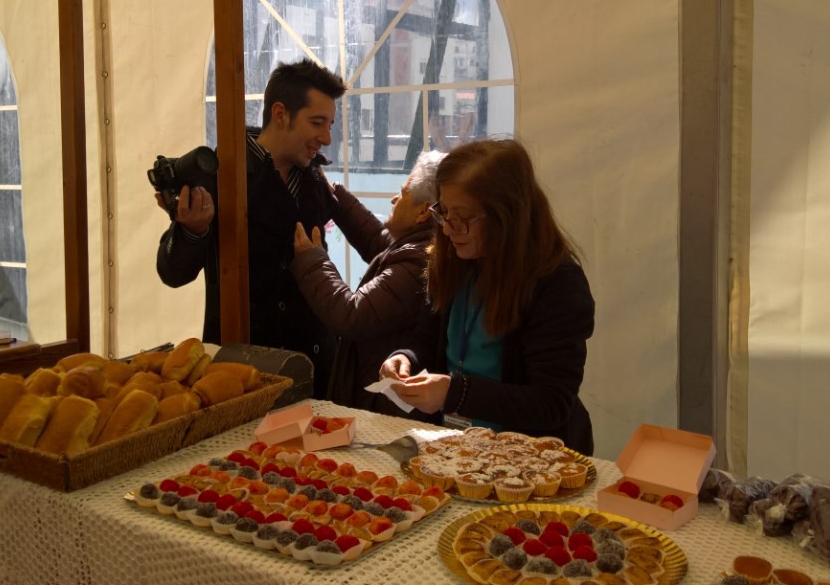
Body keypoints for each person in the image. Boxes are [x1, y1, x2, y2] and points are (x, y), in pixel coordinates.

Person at [379, 139, 596, 454]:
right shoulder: (452, 259)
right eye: (444, 211)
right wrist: (406, 359)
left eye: (463, 217)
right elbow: (427, 341)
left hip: (529, 457)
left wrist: (455, 393)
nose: (449, 228)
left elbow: (551, 403)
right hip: (455, 448)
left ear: (507, 217)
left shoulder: (557, 284)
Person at [156, 59, 344, 398]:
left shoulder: (313, 177)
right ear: (280, 114)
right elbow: (172, 272)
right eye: (317, 122)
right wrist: (193, 230)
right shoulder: (223, 173)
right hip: (249, 370)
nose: (327, 138)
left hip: (316, 363)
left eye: (330, 124)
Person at [290, 150, 445, 412]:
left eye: (403, 193)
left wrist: (312, 261)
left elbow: (352, 315)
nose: (395, 198)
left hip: (383, 406)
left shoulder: (419, 261)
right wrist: (335, 196)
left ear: (422, 213)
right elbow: (377, 241)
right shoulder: (419, 245)